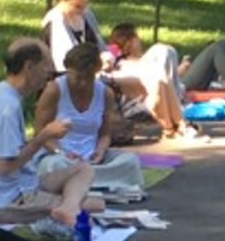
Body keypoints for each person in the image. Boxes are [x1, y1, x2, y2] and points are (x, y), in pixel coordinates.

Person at [0, 38, 101, 227]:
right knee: (95, 205)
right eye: (46, 66)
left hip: (22, 185)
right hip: (4, 202)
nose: (49, 73)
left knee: (83, 169)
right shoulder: (7, 107)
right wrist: (44, 136)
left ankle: (68, 207)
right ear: (29, 67)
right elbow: (5, 166)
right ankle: (69, 208)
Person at [33, 44, 145, 195]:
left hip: (91, 159)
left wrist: (100, 150)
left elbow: (105, 135)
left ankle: (82, 183)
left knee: (130, 161)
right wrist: (60, 152)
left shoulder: (105, 93)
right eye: (77, 77)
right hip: (61, 157)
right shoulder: (55, 90)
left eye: (88, 78)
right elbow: (40, 134)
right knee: (52, 166)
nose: (82, 83)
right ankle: (94, 183)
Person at [108, 24, 205, 142]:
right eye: (137, 38)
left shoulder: (137, 61)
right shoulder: (123, 63)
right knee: (162, 50)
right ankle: (175, 126)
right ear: (131, 41)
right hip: (145, 99)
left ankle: (177, 125)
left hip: (167, 92)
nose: (140, 42)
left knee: (164, 53)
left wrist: (180, 69)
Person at [42, 0, 102, 72]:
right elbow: (64, 63)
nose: (82, 10)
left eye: (86, 4)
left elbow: (99, 44)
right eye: (77, 6)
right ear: (63, 1)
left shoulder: (86, 14)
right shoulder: (57, 21)